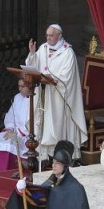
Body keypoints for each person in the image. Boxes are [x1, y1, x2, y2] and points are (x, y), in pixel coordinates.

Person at [24, 23, 87, 163]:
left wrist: (52, 78)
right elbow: (33, 66)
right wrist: (32, 53)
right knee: (43, 124)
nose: (48, 38)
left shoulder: (67, 53)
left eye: (51, 35)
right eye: (47, 35)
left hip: (59, 97)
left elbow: (67, 77)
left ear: (59, 36)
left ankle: (59, 157)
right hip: (43, 95)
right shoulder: (43, 48)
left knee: (57, 127)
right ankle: (43, 157)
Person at [0, 78, 30, 172]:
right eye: (19, 86)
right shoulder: (17, 97)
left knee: (11, 143)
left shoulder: (37, 99)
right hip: (15, 132)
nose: (19, 89)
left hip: (28, 138)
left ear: (30, 86)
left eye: (22, 86)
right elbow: (10, 116)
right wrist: (10, 129)